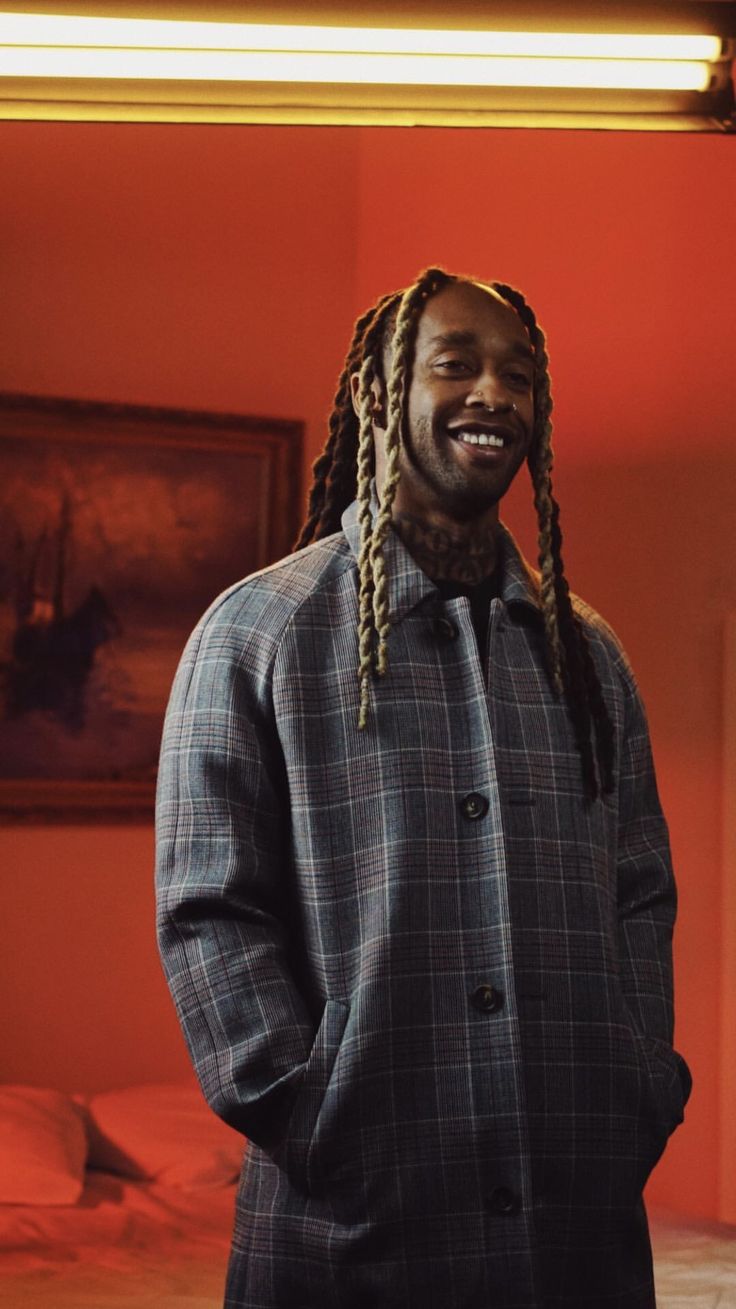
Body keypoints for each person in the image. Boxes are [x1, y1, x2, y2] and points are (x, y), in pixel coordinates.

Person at [155, 267, 691, 1308]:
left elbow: (640, 894)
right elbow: (210, 911)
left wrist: (637, 1093)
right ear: (376, 393)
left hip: (573, 1227)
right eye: (456, 364)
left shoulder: (587, 656)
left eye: (519, 376)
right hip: (347, 1227)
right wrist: (307, 1110)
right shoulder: (258, 633)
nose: (494, 394)